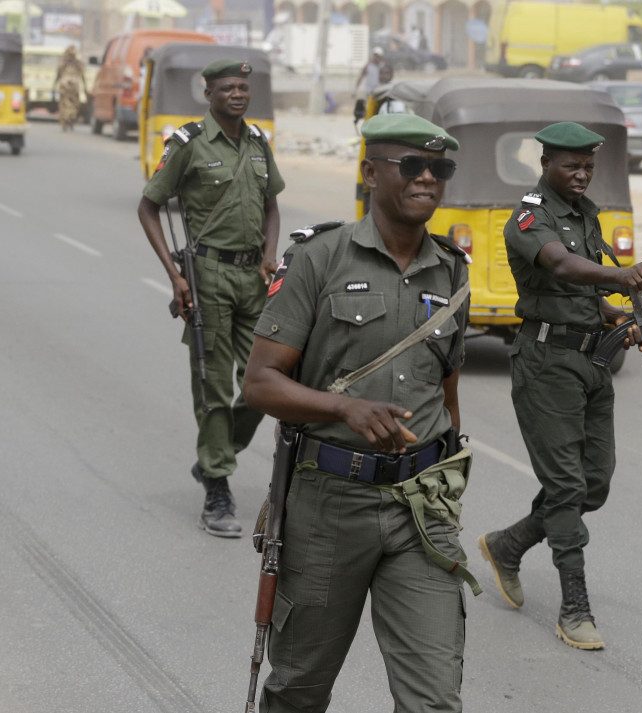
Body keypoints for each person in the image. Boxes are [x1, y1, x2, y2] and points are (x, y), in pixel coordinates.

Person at [241, 112, 471, 712]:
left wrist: (451, 467)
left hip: (422, 508)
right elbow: (260, 383)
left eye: (439, 169)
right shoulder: (318, 259)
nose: (428, 180)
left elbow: (446, 386)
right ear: (370, 172)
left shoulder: (453, 271)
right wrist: (344, 407)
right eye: (413, 166)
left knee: (434, 701)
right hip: (328, 507)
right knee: (299, 688)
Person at [478, 121, 642, 651]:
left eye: (587, 167)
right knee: (565, 488)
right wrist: (620, 276)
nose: (581, 175)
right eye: (570, 166)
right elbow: (558, 264)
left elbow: (581, 285)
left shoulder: (586, 214)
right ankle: (574, 607)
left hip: (590, 363)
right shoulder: (530, 216)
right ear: (546, 164)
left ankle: (507, 545)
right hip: (546, 363)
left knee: (594, 484)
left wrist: (615, 316)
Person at [136, 59, 285, 537]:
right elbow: (149, 205)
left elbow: (272, 204)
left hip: (252, 280)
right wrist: (174, 277)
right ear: (209, 94)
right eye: (228, 88)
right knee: (214, 388)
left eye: (243, 87)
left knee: (269, 384)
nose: (238, 94)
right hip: (208, 277)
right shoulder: (188, 144)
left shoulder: (258, 143)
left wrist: (269, 252)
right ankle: (217, 485)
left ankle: (213, 456)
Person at [54, 45, 86, 132]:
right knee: (73, 104)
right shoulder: (78, 63)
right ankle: (70, 119)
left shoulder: (63, 62)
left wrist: (54, 85)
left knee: (65, 104)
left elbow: (58, 74)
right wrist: (85, 87)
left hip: (65, 85)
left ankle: (66, 120)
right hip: (74, 86)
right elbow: (82, 76)